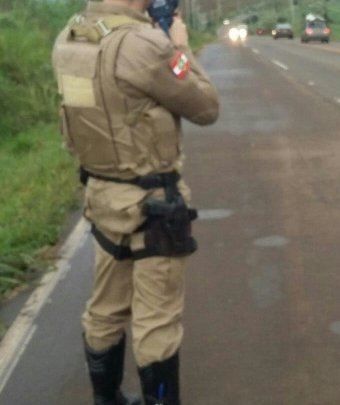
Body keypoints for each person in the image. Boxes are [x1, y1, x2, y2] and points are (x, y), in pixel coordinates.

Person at [52, 0, 219, 404]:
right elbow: (206, 107)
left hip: (103, 195)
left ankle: (106, 398)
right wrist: (180, 46)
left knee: (105, 307)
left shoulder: (70, 38)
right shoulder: (144, 46)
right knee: (157, 321)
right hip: (152, 204)